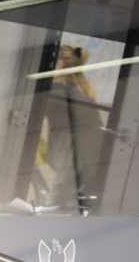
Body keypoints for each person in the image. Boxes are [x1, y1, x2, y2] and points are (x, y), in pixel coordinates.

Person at [34, 45, 106, 211]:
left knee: (55, 202)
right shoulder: (82, 88)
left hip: (74, 156)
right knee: (77, 204)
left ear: (58, 64)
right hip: (91, 155)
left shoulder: (60, 91)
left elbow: (33, 108)